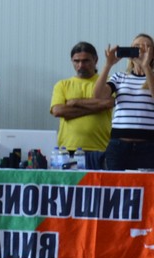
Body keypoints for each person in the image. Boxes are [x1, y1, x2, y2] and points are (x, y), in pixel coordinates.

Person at [93, 36, 154, 171]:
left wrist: (145, 66)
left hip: (149, 146)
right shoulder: (119, 77)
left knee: (148, 184)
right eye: (136, 46)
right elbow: (98, 95)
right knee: (115, 183)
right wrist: (108, 65)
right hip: (119, 146)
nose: (140, 49)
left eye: (145, 46)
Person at [50, 41, 110, 168]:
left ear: (95, 60)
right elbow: (58, 111)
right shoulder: (62, 85)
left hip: (100, 149)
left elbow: (109, 103)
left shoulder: (107, 82)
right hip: (68, 150)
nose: (81, 65)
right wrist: (97, 106)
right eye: (76, 61)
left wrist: (74, 102)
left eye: (85, 61)